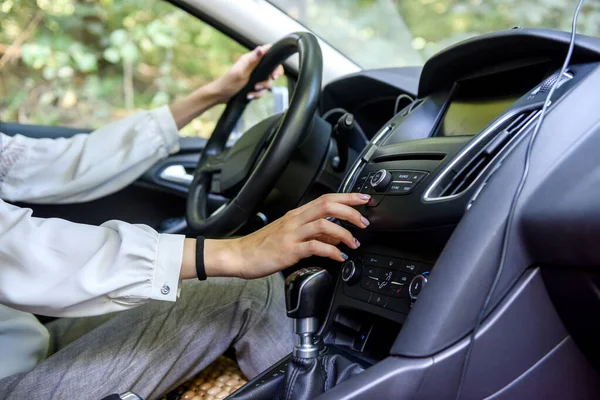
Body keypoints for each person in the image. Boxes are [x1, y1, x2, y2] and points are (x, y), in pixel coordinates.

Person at [0, 45, 370, 399]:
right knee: (241, 290)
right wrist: (238, 253)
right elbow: (18, 246)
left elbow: (62, 162)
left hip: (24, 340)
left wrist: (213, 93)